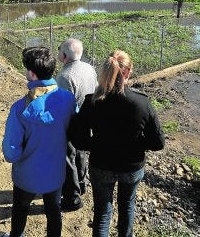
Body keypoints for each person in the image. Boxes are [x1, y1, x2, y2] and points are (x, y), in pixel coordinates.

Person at [69, 50, 165, 237]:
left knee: (103, 211)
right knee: (127, 205)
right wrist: (137, 143)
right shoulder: (141, 103)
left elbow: (78, 139)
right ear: (128, 72)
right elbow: (158, 142)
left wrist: (96, 144)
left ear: (104, 72)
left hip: (101, 164)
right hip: (132, 166)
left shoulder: (92, 101)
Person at [0, 47, 77, 237]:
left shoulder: (20, 108)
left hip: (27, 176)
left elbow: (11, 153)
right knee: (53, 210)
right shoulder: (68, 99)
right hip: (56, 174)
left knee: (20, 209)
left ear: (32, 74)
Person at [56, 38, 98, 211]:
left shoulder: (64, 76)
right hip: (87, 119)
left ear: (64, 55)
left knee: (68, 157)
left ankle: (72, 198)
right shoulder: (89, 68)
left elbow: (63, 106)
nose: (58, 52)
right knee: (80, 153)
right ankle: (81, 183)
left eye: (59, 50)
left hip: (71, 121)